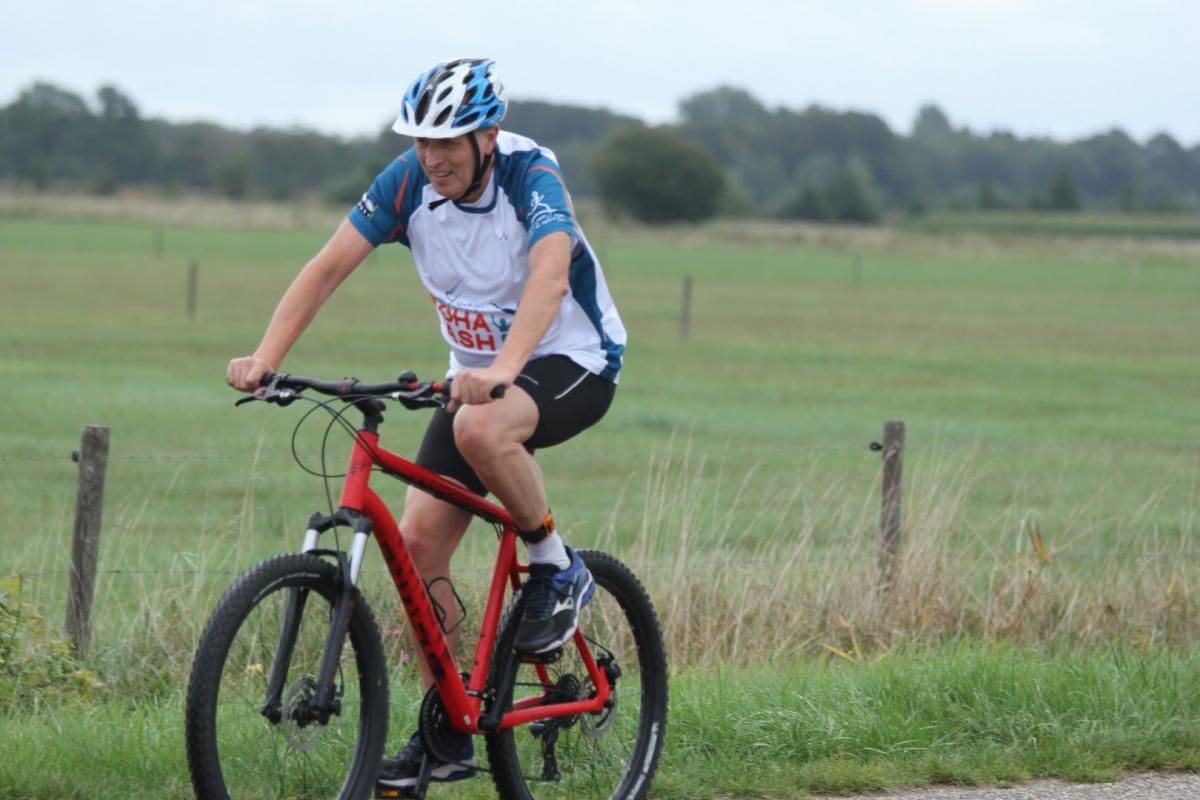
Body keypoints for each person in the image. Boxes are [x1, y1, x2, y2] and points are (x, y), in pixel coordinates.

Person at [225, 57, 626, 791]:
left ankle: (555, 566)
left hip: (571, 360)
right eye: (421, 141)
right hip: (478, 379)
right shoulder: (407, 184)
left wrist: (503, 368)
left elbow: (550, 277)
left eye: (449, 142)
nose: (433, 157)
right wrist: (265, 357)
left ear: (488, 137)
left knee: (481, 430)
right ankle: (448, 726)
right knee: (414, 546)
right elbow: (326, 267)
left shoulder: (530, 176)